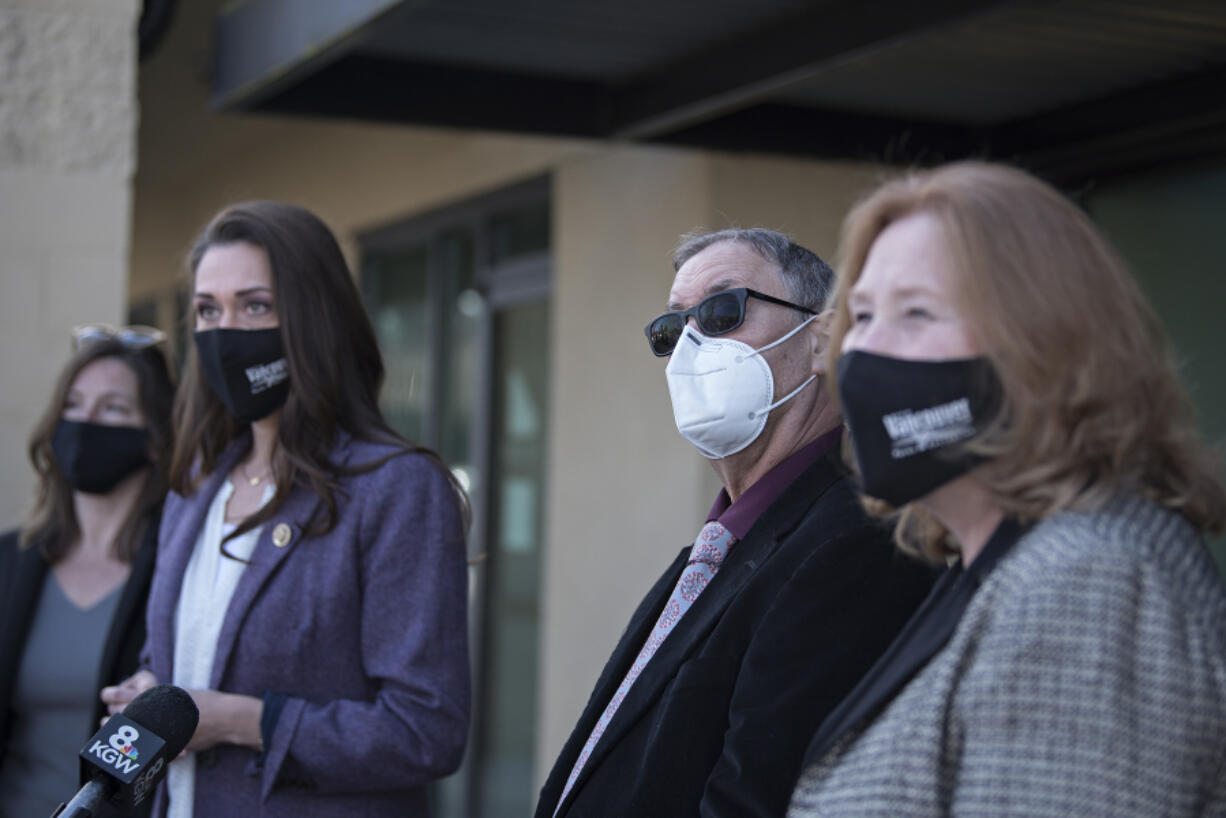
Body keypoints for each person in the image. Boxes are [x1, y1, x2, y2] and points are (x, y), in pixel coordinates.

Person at [787, 161, 1226, 817]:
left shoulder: (1091, 578)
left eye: (917, 312)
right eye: (862, 314)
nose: (864, 351)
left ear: (1045, 342)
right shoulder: (998, 571)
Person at [536, 228, 936, 818]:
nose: (692, 346)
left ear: (823, 339)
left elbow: (757, 800)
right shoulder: (721, 545)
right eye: (673, 329)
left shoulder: (854, 543)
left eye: (723, 311)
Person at [100, 201, 471, 818]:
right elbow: (186, 656)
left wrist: (245, 722)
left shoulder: (395, 489)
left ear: (312, 318)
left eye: (255, 306)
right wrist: (152, 694)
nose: (225, 333)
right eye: (207, 310)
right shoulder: (196, 484)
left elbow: (425, 731)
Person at [0, 326, 174, 818]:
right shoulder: (10, 561)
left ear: (155, 439)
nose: (85, 422)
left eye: (113, 408)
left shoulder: (176, 578)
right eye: (73, 405)